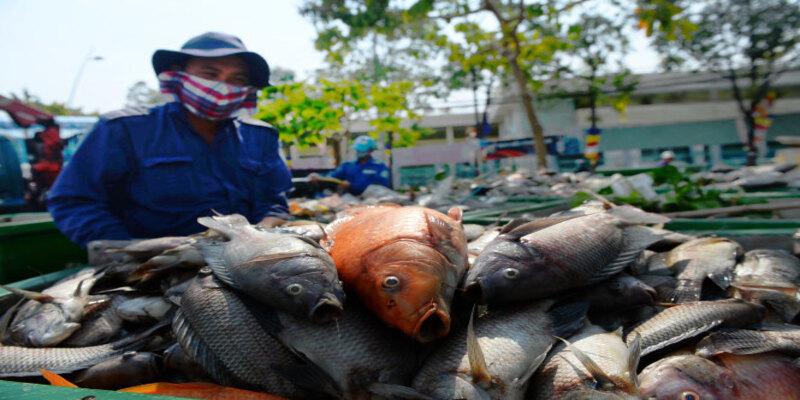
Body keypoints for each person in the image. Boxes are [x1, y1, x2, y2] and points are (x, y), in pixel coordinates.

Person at [48, 32, 293, 248]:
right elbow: (74, 200)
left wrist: (261, 236)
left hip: (241, 258)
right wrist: (130, 249)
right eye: (210, 73)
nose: (222, 86)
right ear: (179, 75)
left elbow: (272, 200)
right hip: (152, 266)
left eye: (237, 79)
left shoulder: (260, 136)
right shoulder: (124, 129)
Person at [308, 135, 390, 195]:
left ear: (371, 150)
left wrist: (352, 186)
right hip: (349, 201)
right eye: (358, 150)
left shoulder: (380, 166)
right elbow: (333, 177)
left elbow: (382, 187)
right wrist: (319, 177)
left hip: (372, 201)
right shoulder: (347, 165)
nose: (359, 152)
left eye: (362, 150)